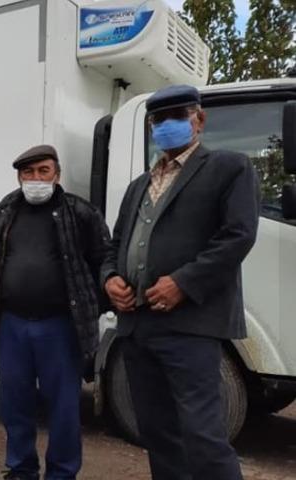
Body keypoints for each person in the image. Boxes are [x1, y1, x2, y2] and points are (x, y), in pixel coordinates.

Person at [102, 84, 259, 480]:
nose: (166, 126)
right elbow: (115, 245)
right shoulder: (139, 186)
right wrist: (110, 278)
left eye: (176, 117)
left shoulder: (229, 168)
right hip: (138, 327)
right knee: (157, 433)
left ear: (199, 120)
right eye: (159, 120)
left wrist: (183, 283)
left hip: (190, 326)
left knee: (203, 436)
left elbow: (237, 236)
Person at [0, 145, 110, 480]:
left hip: (60, 327)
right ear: (19, 177)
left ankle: (62, 473)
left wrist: (89, 309)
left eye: (43, 171)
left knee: (64, 406)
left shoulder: (80, 212)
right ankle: (21, 468)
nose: (36, 178)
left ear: (57, 174)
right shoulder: (4, 211)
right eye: (28, 172)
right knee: (14, 404)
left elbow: (104, 262)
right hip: (12, 325)